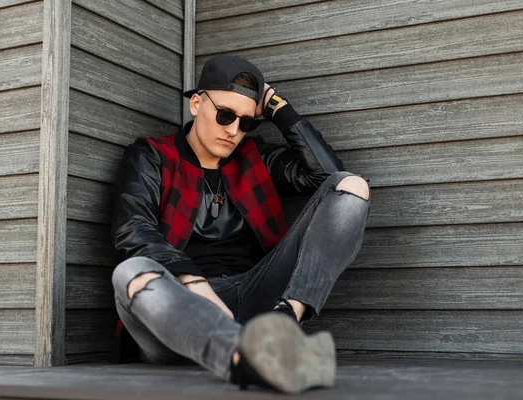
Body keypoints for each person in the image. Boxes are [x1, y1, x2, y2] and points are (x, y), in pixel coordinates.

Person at [110, 55, 371, 394]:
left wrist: (279, 108)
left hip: (256, 299)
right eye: (225, 115)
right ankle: (244, 355)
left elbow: (327, 176)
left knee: (352, 186)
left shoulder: (255, 157)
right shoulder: (151, 156)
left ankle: (284, 322)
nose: (233, 130)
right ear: (196, 104)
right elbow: (133, 229)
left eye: (246, 122)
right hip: (182, 309)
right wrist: (194, 283)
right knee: (129, 273)